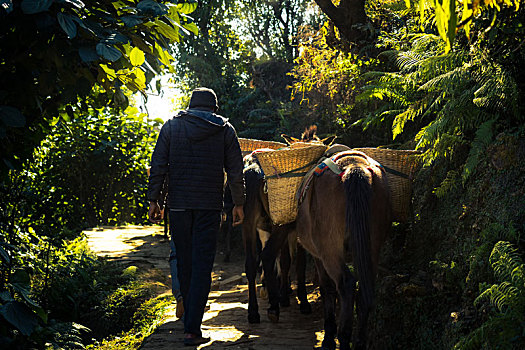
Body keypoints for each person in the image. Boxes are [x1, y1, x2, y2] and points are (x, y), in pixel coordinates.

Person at [147, 87, 245, 346]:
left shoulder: (170, 127)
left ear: (190, 105)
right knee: (202, 266)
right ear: (214, 108)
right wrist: (238, 203)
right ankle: (192, 328)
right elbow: (236, 170)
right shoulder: (225, 130)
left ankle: (189, 318)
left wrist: (153, 200)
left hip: (178, 206)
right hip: (209, 208)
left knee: (185, 262)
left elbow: (158, 164)